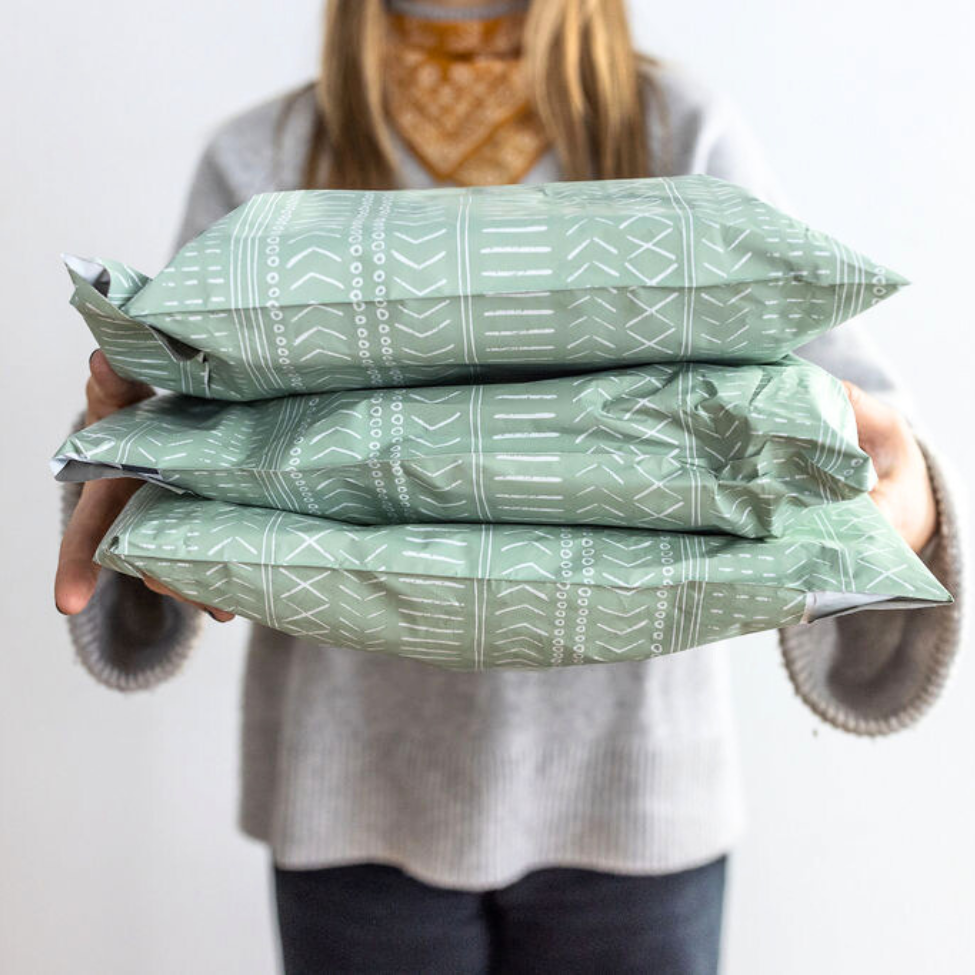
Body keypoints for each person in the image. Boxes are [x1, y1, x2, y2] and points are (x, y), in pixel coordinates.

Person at [54, 1, 964, 972]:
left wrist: (909, 511)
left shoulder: (679, 129)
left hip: (634, 805)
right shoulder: (262, 155)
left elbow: (864, 428)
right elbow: (176, 426)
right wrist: (128, 462)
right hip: (354, 808)